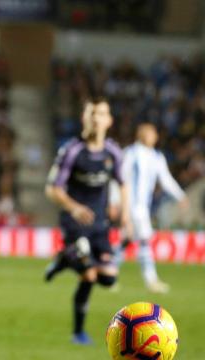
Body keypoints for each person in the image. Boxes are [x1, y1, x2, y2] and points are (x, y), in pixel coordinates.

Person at [44, 97, 132, 345]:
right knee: (89, 275)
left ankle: (64, 258)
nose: (96, 118)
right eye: (92, 113)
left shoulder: (113, 152)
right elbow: (53, 189)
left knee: (108, 277)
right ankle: (78, 333)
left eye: (101, 113)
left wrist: (125, 215)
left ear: (109, 121)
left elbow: (123, 184)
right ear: (86, 118)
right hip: (74, 221)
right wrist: (74, 207)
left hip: (100, 224)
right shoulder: (72, 150)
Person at [113, 122, 188, 293]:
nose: (155, 137)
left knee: (127, 240)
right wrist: (115, 200)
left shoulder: (156, 157)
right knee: (145, 238)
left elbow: (166, 179)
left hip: (143, 206)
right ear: (143, 134)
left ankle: (109, 275)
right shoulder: (131, 153)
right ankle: (151, 280)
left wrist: (180, 195)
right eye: (152, 133)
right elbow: (119, 178)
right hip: (132, 205)